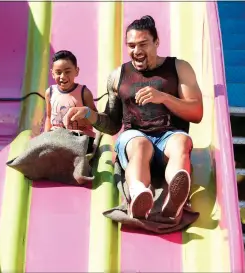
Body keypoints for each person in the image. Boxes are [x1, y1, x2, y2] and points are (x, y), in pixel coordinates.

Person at [63, 15, 203, 219]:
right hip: (135, 136)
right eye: (131, 45)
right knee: (140, 146)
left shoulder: (179, 68)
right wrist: (88, 114)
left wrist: (163, 97)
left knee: (182, 142)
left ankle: (175, 196)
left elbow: (197, 112)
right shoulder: (117, 76)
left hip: (169, 137)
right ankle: (139, 192)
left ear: (156, 42)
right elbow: (112, 124)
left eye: (143, 44)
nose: (136, 51)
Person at [44, 50, 98, 154]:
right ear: (52, 74)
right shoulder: (50, 92)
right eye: (58, 72)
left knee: (65, 146)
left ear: (76, 71)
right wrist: (45, 137)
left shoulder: (84, 93)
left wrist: (82, 117)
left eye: (67, 71)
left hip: (79, 137)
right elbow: (49, 117)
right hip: (57, 136)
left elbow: (95, 118)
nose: (63, 77)